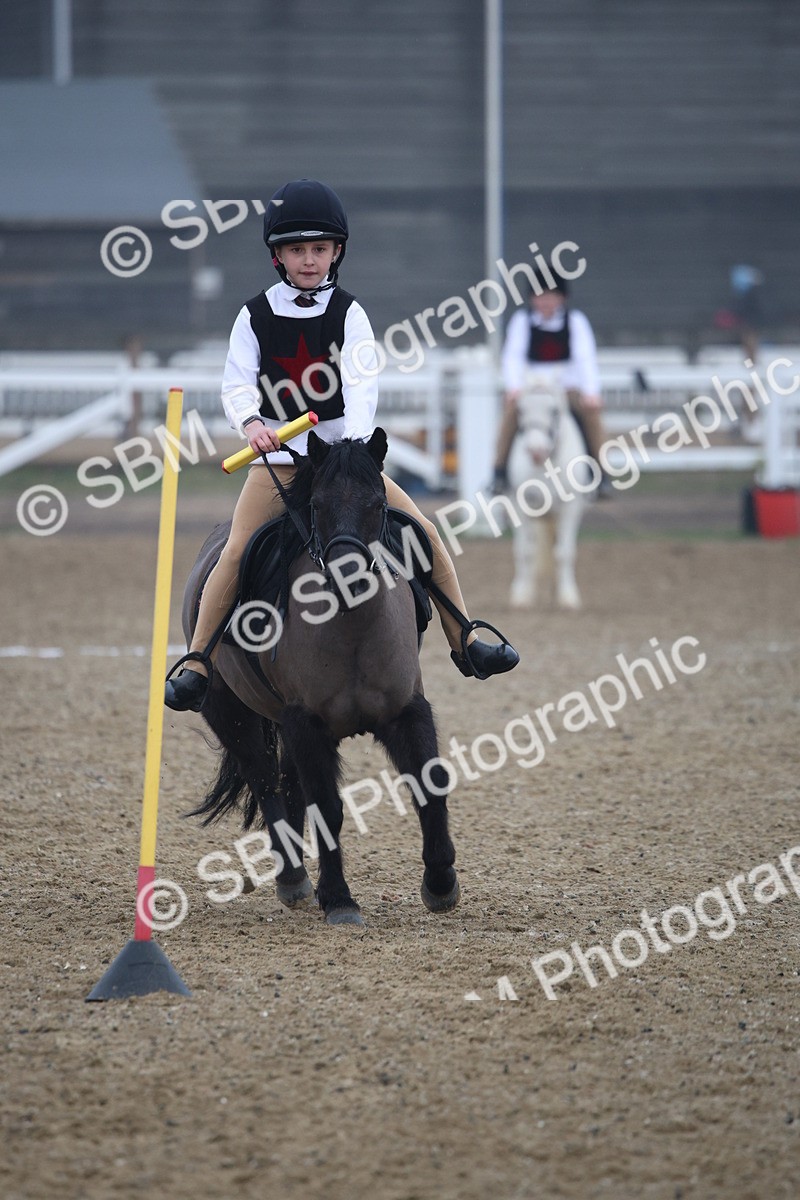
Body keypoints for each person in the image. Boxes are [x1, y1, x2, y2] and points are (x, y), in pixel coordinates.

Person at [165, 178, 519, 711]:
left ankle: (465, 638)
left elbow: (360, 387)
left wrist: (348, 451)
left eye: (320, 249)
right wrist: (252, 423)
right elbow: (236, 384)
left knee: (424, 532)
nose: (309, 260)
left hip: (342, 467)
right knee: (236, 549)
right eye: (297, 250)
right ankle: (197, 662)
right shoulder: (253, 316)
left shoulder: (351, 313)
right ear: (278, 257)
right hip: (280, 467)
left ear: (337, 252)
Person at [493, 267, 612, 497]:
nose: (545, 301)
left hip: (566, 389)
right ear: (531, 298)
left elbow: (585, 358)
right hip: (532, 389)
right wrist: (514, 388)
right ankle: (499, 471)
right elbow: (512, 358)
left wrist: (591, 393)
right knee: (509, 415)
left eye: (551, 296)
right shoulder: (521, 321)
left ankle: (601, 474)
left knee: (592, 416)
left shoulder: (576, 321)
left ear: (562, 298)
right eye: (540, 296)